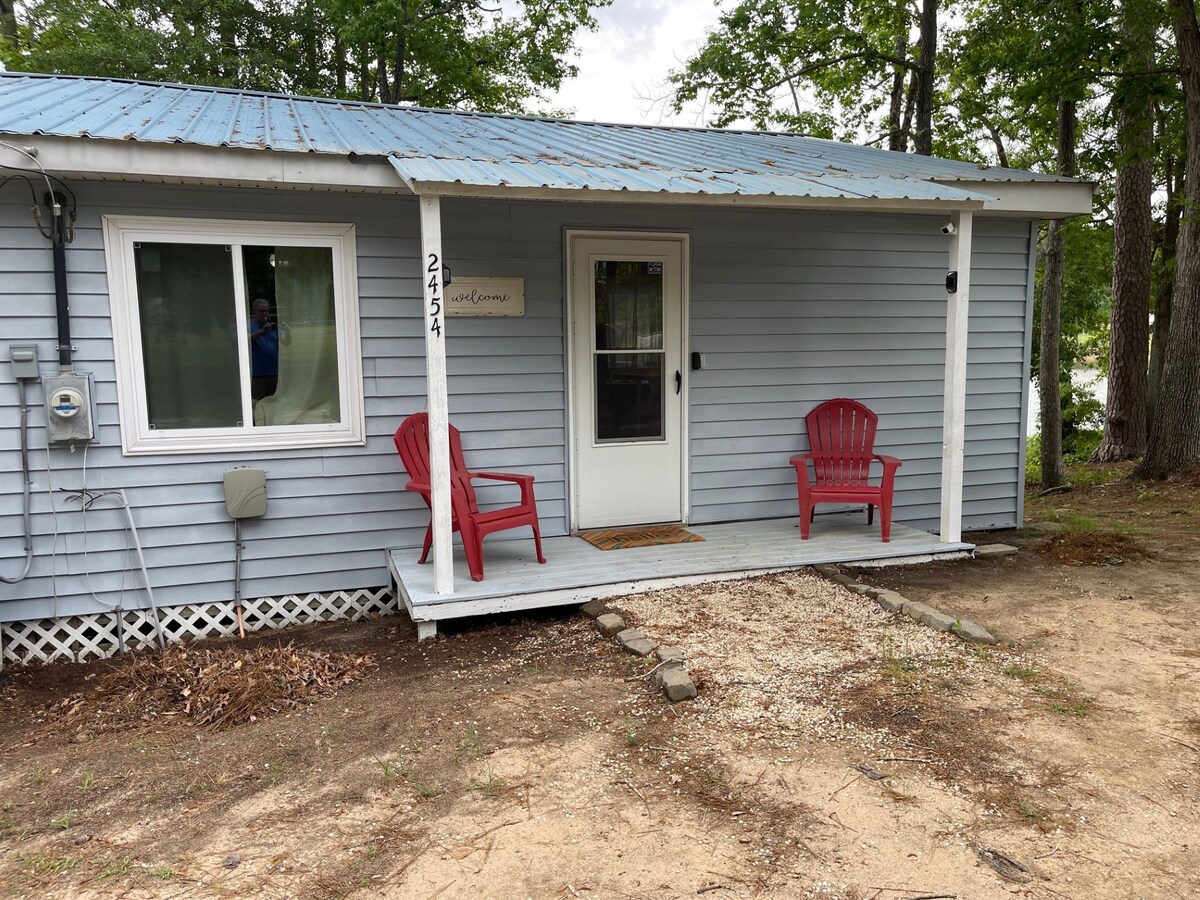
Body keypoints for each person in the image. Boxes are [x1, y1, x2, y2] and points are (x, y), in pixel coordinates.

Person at [248, 298, 291, 400]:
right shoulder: (249, 325)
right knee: (257, 401)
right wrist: (261, 332)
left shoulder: (272, 326)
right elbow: (245, 341)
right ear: (254, 311)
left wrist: (287, 332)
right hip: (258, 372)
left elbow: (286, 342)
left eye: (266, 311)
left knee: (272, 401)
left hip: (273, 371)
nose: (264, 313)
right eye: (261, 311)